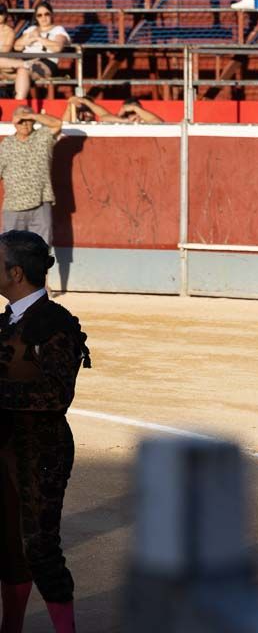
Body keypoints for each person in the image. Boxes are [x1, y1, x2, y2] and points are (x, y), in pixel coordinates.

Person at [0, 230, 91, 633]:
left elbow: (56, 394)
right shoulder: (7, 323)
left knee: (40, 548)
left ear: (15, 272)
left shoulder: (56, 325)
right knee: (7, 549)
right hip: (4, 449)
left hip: (42, 454)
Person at [0, 106, 62, 249]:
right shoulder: (6, 145)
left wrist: (32, 115)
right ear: (14, 123)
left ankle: (41, 272)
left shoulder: (42, 137)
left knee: (41, 250)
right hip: (13, 205)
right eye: (21, 121)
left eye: (28, 121)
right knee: (10, 250)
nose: (25, 124)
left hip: (40, 202)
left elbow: (57, 123)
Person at [0, 4, 70, 101]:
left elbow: (57, 47)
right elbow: (17, 46)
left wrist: (38, 38)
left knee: (23, 71)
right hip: (24, 60)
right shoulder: (31, 29)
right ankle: (24, 65)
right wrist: (30, 38)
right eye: (39, 15)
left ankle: (18, 103)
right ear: (36, 17)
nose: (43, 18)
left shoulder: (58, 30)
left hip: (44, 62)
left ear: (52, 15)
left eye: (46, 14)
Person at [65, 97, 163, 124]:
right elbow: (103, 118)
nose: (133, 114)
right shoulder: (117, 121)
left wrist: (136, 109)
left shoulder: (144, 122)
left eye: (137, 111)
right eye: (129, 111)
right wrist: (123, 119)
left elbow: (159, 122)